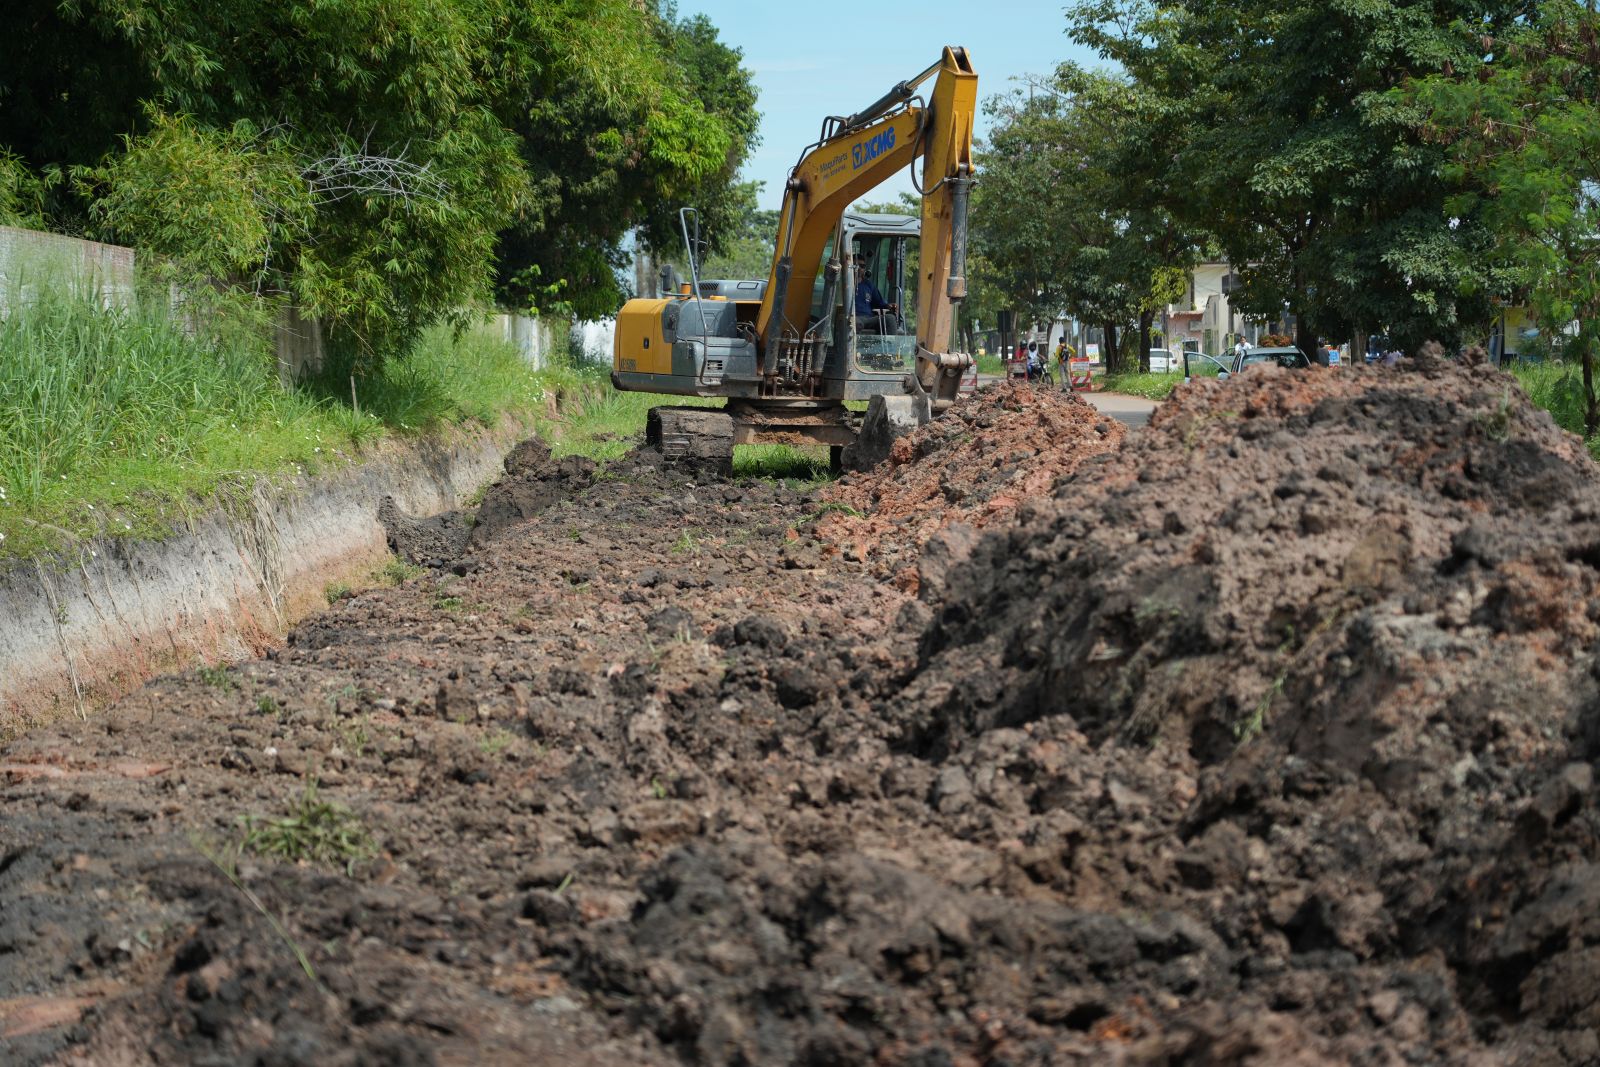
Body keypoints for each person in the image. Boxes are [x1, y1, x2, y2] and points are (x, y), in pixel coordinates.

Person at [853, 262, 896, 332]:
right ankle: (852, 343)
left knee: (890, 319)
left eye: (862, 266)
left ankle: (890, 343)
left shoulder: (869, 285)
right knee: (855, 323)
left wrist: (889, 306)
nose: (859, 268)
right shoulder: (844, 285)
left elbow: (880, 304)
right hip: (853, 317)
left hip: (869, 318)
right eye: (856, 265)